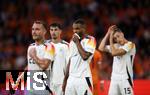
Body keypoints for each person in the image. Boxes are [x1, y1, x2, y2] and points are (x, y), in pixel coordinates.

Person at [12, 20, 55, 95]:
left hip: (43, 88)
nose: (34, 32)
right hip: (30, 87)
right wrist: (17, 81)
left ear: (44, 32)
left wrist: (34, 56)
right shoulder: (31, 46)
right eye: (33, 29)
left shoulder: (49, 47)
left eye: (37, 29)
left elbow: (45, 66)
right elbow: (29, 66)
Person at [98, 25, 136, 95]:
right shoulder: (116, 46)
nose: (117, 39)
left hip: (126, 79)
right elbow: (101, 47)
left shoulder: (131, 45)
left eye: (118, 36)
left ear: (122, 34)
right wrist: (108, 33)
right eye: (115, 38)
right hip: (114, 79)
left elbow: (114, 53)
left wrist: (110, 39)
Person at [63, 19, 96, 95]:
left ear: (84, 29)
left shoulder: (90, 40)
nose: (74, 31)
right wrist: (65, 80)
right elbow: (70, 61)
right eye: (74, 29)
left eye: (77, 28)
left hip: (83, 79)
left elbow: (85, 56)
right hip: (71, 80)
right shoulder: (72, 42)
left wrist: (77, 42)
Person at [47, 23, 69, 95]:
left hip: (61, 81)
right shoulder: (45, 45)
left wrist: (66, 81)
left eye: (56, 30)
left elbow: (69, 65)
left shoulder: (66, 46)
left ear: (60, 31)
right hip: (47, 81)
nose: (53, 32)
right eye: (51, 30)